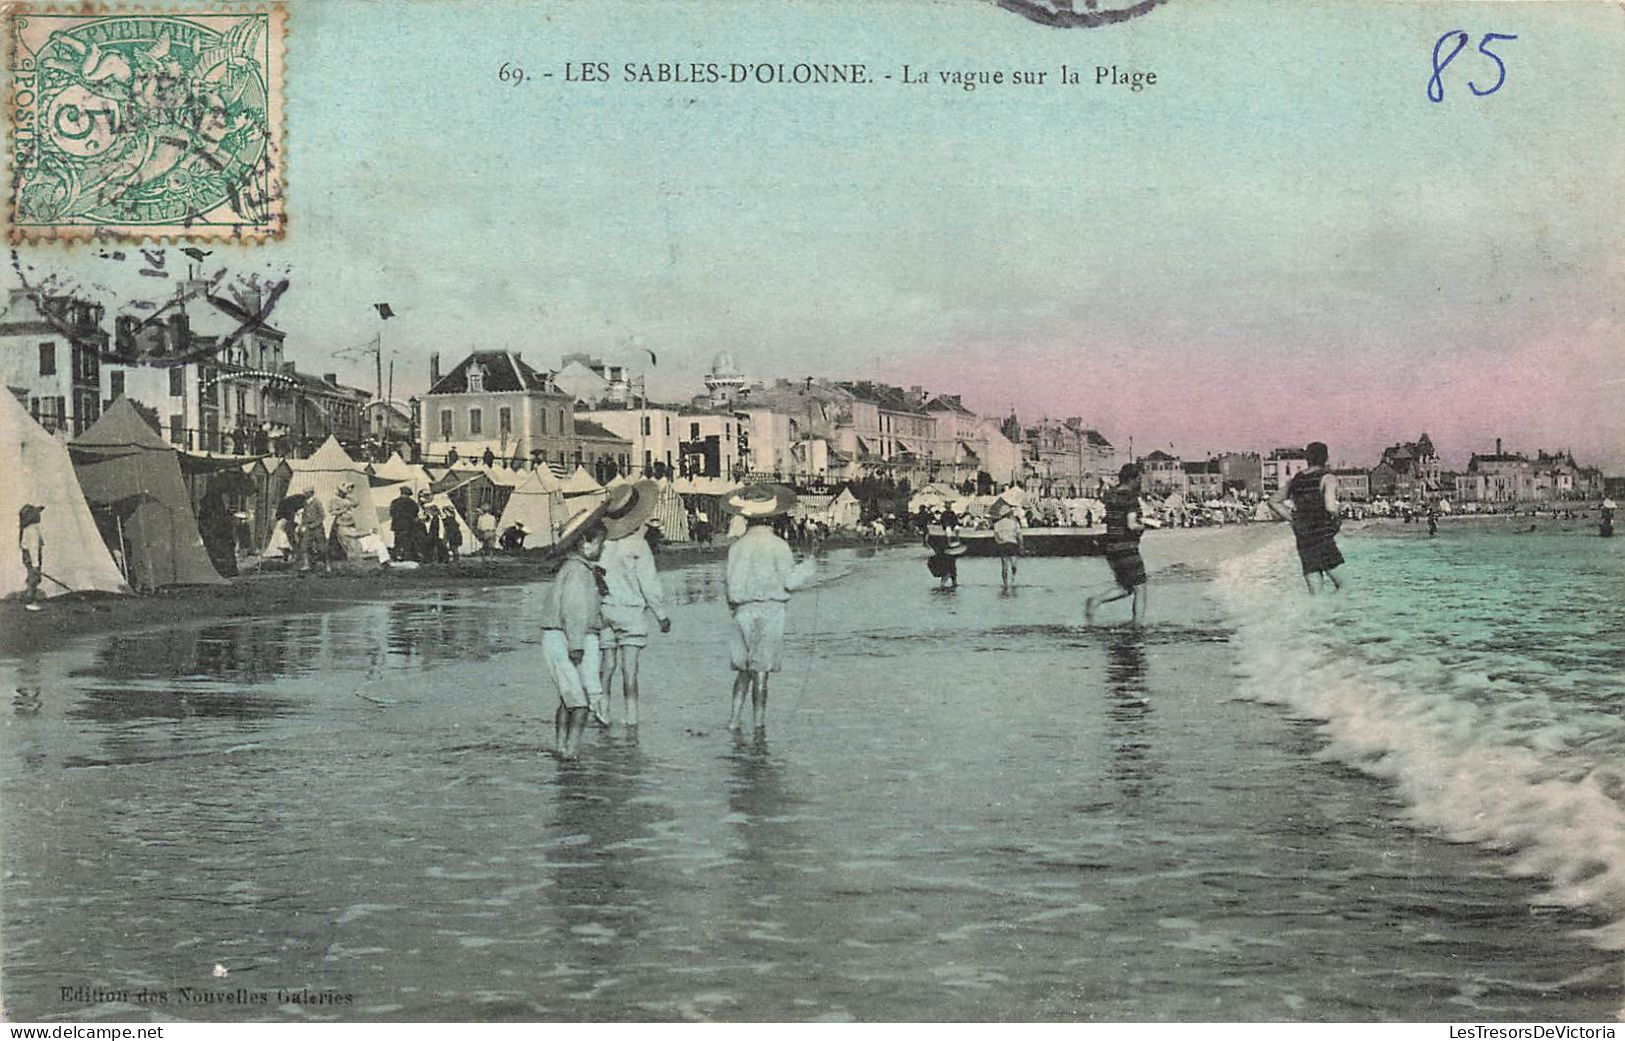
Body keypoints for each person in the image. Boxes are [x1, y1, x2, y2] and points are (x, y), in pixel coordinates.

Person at [723, 483, 812, 732]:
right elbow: (790, 581)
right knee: (761, 672)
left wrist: (735, 608)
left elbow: (729, 585)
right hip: (770, 611)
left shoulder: (736, 547)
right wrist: (809, 566)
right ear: (773, 517)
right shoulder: (778, 546)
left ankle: (733, 720)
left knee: (743, 669)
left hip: (742, 610)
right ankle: (759, 727)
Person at [597, 480, 671, 729]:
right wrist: (661, 615)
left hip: (605, 609)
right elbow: (649, 584)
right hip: (630, 612)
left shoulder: (603, 544)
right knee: (630, 670)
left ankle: (603, 710)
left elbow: (595, 576)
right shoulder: (639, 546)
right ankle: (631, 718)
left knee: (607, 665)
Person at [539, 503, 609, 759]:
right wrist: (577, 645)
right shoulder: (579, 572)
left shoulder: (572, 568)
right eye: (600, 543)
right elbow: (575, 611)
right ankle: (571, 750)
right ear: (585, 544)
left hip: (557, 637)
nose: (603, 548)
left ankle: (561, 745)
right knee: (581, 703)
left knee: (567, 699)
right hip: (567, 638)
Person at [1269, 441, 1344, 592]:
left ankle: (1318, 615)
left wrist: (1293, 518)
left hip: (1303, 536)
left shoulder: (1296, 479)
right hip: (1321, 534)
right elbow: (1330, 506)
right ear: (1326, 458)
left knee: (1316, 593)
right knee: (1345, 585)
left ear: (1307, 458)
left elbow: (1273, 501)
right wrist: (1336, 520)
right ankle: (1336, 614)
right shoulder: (1328, 477)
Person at [1086, 463, 1152, 625]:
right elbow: (1131, 525)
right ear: (1132, 479)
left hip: (1111, 547)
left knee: (1125, 587)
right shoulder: (1131, 498)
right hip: (1127, 547)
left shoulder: (1110, 495)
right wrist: (1144, 525)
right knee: (1140, 588)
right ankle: (1137, 626)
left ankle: (1095, 601)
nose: (1140, 483)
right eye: (1139, 479)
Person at [990, 499, 1024, 589]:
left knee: (1004, 565)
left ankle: (1005, 583)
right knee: (1014, 564)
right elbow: (1019, 535)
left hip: (1002, 544)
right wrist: (1021, 545)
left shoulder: (996, 524)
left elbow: (996, 537)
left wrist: (999, 543)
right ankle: (1013, 579)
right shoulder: (1014, 523)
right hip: (1012, 544)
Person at [296, 489, 330, 575]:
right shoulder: (304, 503)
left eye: (306, 493)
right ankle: (306, 564)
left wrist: (315, 524)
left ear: (311, 493)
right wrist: (302, 525)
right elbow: (304, 515)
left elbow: (322, 516)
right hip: (307, 527)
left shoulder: (317, 502)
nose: (305, 494)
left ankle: (327, 565)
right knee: (304, 546)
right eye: (304, 493)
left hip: (317, 528)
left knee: (322, 548)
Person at [18, 504, 44, 611]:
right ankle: (31, 601)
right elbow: (33, 548)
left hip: (27, 556)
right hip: (32, 557)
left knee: (32, 577)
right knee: (34, 578)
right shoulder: (32, 531)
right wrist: (35, 564)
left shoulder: (27, 529)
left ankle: (29, 597)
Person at [389, 486, 420, 562]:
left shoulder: (394, 502)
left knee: (397, 542)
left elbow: (391, 513)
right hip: (408, 526)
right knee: (407, 542)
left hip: (397, 526)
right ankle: (407, 557)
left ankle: (396, 557)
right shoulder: (412, 503)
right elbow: (416, 512)